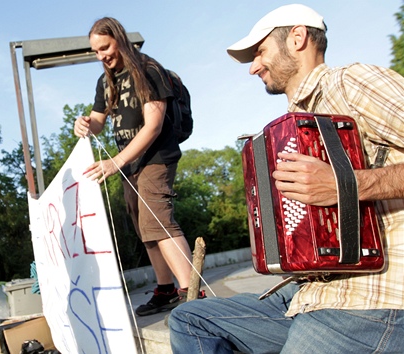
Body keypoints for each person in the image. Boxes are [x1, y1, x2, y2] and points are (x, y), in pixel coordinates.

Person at [169, 4, 404, 353]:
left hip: (371, 299)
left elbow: (340, 186)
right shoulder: (289, 128)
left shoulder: (350, 82)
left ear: (298, 38)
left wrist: (345, 184)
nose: (253, 68)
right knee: (190, 319)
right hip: (309, 295)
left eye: (260, 51)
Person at [74, 17, 193, 316]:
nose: (102, 56)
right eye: (96, 51)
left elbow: (153, 127)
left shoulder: (148, 70)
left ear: (120, 39)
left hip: (155, 157)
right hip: (128, 165)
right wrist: (85, 124)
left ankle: (193, 295)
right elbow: (99, 122)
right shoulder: (105, 81)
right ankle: (165, 290)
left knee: (160, 222)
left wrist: (116, 161)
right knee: (145, 228)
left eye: (105, 47)